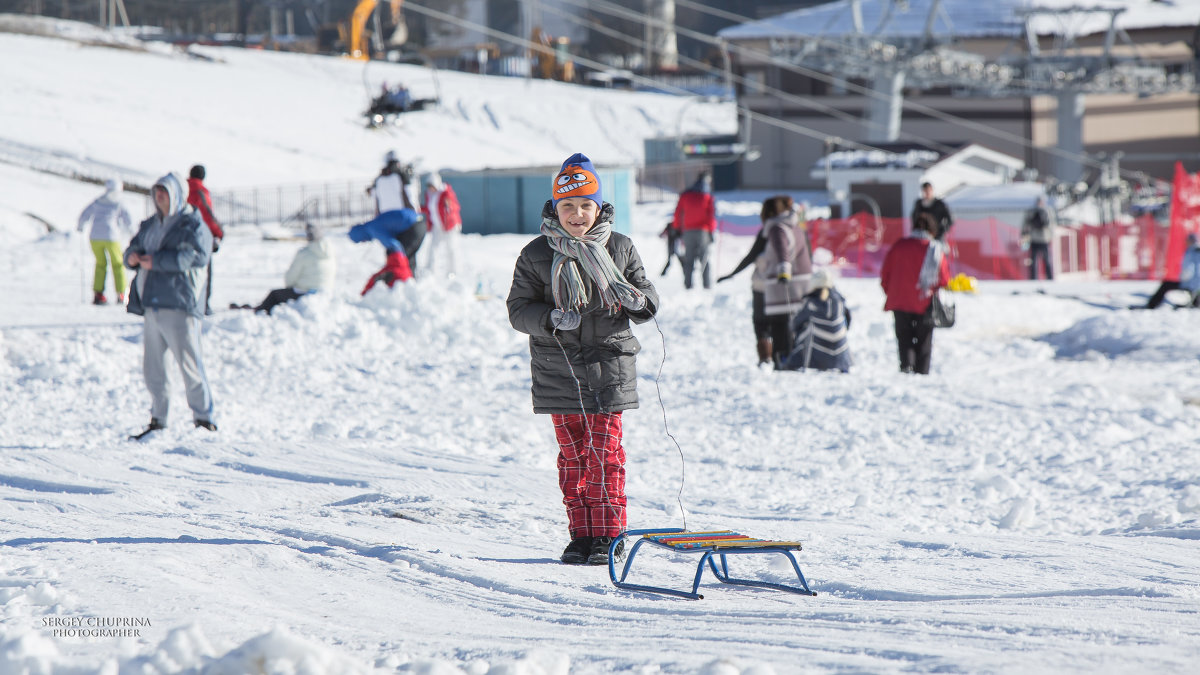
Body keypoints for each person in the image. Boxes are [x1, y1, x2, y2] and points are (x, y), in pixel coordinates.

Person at [506, 152, 659, 567]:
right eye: (568, 206)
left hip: (609, 370)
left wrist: (637, 300)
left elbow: (649, 302)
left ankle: (609, 534)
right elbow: (518, 310)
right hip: (560, 371)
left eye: (585, 205)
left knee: (605, 456)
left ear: (599, 207)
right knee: (574, 458)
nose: (577, 214)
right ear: (555, 208)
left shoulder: (621, 247)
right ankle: (581, 535)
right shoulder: (536, 254)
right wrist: (550, 317)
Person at [124, 172, 216, 438]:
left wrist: (158, 262)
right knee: (153, 367)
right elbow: (133, 247)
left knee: (189, 363)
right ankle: (158, 418)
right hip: (151, 303)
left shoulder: (191, 223)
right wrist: (131, 258)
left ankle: (203, 418)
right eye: (156, 192)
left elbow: (198, 255)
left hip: (179, 303)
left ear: (175, 194)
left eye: (164, 192)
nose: (159, 197)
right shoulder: (151, 223)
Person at [880, 212, 951, 374]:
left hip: (899, 300)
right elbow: (945, 279)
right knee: (924, 341)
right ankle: (922, 371)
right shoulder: (934, 249)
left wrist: (889, 291)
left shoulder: (899, 245)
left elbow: (886, 273)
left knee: (903, 337)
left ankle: (906, 366)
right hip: (924, 302)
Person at [230, 223, 336, 314]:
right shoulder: (330, 253)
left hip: (304, 293)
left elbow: (290, 277)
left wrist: (291, 286)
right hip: (324, 292)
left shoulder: (304, 253)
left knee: (275, 295)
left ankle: (259, 312)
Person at [759, 195, 813, 369]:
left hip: (785, 285)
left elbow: (782, 251)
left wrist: (783, 272)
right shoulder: (796, 226)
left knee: (779, 323)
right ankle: (795, 358)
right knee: (795, 324)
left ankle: (782, 359)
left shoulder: (777, 228)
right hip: (802, 281)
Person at [716, 219, 770, 365]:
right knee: (781, 323)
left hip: (762, 285)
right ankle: (780, 357)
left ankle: (766, 357)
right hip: (787, 287)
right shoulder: (794, 230)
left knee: (760, 322)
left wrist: (731, 274)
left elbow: (751, 256)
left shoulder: (767, 231)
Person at [783, 268, 852, 373]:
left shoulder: (812, 302)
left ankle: (791, 362)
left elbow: (796, 323)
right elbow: (848, 319)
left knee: (807, 330)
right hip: (840, 353)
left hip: (816, 350)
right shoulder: (839, 300)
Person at [77, 178, 133, 305]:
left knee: (101, 264)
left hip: (95, 237)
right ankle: (121, 293)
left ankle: (98, 294)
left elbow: (85, 214)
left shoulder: (99, 200)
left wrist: (81, 226)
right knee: (118, 264)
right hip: (111, 236)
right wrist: (132, 231)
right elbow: (127, 218)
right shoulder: (118, 202)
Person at [186, 165, 224, 315]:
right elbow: (207, 214)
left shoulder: (181, 189)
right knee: (204, 270)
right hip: (200, 237)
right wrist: (219, 233)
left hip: (181, 236)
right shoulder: (199, 191)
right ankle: (203, 305)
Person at [672, 171, 716, 289]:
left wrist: (677, 228)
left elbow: (678, 212)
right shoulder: (707, 196)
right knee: (704, 259)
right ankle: (706, 285)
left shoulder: (686, 195)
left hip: (688, 231)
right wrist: (711, 231)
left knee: (689, 258)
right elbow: (711, 216)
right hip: (703, 232)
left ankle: (688, 285)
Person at [420, 172, 463, 279]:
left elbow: (455, 207)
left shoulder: (446, 192)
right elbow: (430, 209)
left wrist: (449, 207)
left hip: (449, 226)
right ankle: (430, 270)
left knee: (451, 248)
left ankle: (453, 272)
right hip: (437, 226)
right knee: (433, 248)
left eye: (431, 186)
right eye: (428, 186)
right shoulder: (429, 195)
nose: (430, 188)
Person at [1145, 232, 1200, 309]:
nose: (1186, 242)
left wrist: (1186, 279)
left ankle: (1151, 305)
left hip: (1192, 282)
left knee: (1166, 285)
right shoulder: (1195, 250)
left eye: (1187, 240)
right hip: (1194, 282)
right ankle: (1196, 303)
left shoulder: (1192, 251)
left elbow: (1191, 269)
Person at [1021, 196, 1055, 280]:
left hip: (1038, 238)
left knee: (1039, 260)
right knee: (1042, 260)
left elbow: (1025, 224)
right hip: (1041, 239)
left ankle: (1038, 277)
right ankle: (1046, 277)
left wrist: (1024, 234)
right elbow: (1051, 224)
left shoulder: (1033, 211)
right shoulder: (1047, 211)